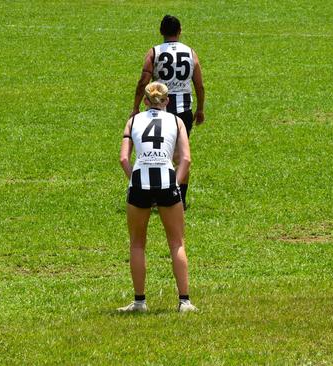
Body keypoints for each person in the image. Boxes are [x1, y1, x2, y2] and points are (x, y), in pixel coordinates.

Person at [118, 82, 197, 313]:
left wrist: (134, 179)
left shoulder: (133, 121)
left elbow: (124, 158)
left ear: (145, 101)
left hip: (140, 183)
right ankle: (184, 301)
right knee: (177, 242)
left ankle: (140, 302)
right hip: (167, 182)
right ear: (167, 101)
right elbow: (186, 159)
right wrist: (176, 183)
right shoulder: (176, 121)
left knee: (137, 243)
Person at [131, 15, 205, 210]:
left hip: (158, 106)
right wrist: (200, 108)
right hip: (183, 110)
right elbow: (199, 84)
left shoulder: (154, 52)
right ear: (179, 30)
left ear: (161, 31)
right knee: (181, 155)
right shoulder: (190, 52)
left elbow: (143, 82)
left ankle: (155, 193)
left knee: (158, 151)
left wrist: (136, 106)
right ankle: (179, 198)